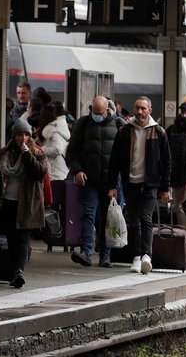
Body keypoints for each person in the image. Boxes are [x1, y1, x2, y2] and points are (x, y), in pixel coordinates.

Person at [107, 96, 172, 274]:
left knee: (146, 218)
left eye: (144, 108)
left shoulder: (159, 132)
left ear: (150, 110)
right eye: (137, 108)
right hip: (130, 182)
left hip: (150, 183)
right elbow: (114, 161)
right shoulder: (125, 131)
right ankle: (136, 257)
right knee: (134, 221)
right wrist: (112, 185)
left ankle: (147, 256)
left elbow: (166, 162)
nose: (140, 111)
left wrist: (165, 188)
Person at [0, 118, 47, 288]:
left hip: (27, 204)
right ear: (13, 136)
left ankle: (18, 272)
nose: (23, 138)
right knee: (10, 239)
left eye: (26, 135)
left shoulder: (37, 153)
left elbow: (40, 173)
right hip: (7, 202)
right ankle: (13, 270)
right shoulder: (3, 154)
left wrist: (27, 155)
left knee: (21, 239)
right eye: (19, 135)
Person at [66, 96, 120, 268]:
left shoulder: (118, 125)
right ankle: (86, 252)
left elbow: (122, 156)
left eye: (100, 113)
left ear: (107, 110)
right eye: (94, 112)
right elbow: (72, 152)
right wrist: (77, 170)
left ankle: (105, 256)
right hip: (88, 179)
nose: (96, 115)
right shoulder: (83, 124)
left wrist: (116, 183)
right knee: (88, 214)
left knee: (107, 218)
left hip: (109, 182)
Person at [165, 102, 186, 236]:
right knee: (178, 206)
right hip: (177, 173)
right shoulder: (172, 129)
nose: (184, 115)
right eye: (182, 112)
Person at [37, 102, 70, 181]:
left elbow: (57, 149)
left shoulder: (53, 131)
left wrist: (43, 149)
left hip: (55, 171)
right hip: (58, 170)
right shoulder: (58, 128)